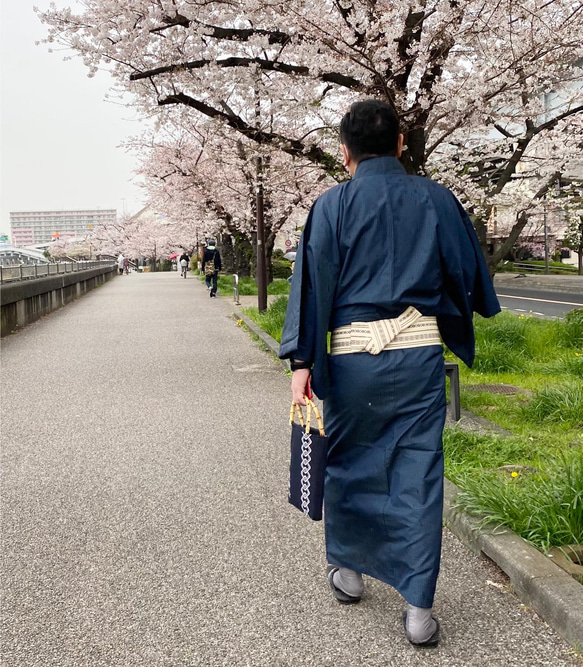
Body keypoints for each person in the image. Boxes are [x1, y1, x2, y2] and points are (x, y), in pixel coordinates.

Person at [279, 100, 500, 648]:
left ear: (344, 152)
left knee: (350, 465)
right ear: (402, 145)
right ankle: (419, 610)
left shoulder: (331, 206)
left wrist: (302, 362)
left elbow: (311, 289)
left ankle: (348, 574)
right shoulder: (437, 198)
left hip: (353, 362)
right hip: (418, 356)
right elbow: (467, 273)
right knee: (418, 470)